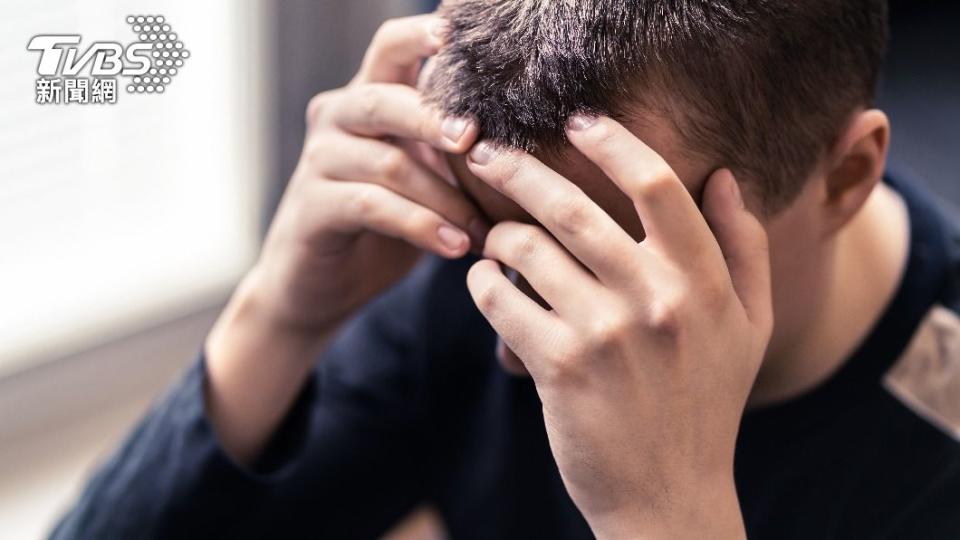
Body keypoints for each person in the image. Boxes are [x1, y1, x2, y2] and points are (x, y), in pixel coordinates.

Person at [52, 1, 960, 538]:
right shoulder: (457, 276)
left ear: (844, 177)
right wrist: (279, 313)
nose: (530, 347)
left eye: (599, 254)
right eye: (505, 236)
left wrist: (671, 516)